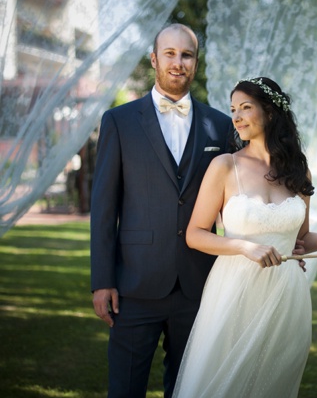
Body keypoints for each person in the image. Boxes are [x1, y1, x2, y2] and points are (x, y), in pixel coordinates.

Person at [172, 77, 317, 398]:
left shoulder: (299, 172)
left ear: (269, 112)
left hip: (287, 297)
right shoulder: (225, 166)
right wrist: (243, 246)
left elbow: (301, 241)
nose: (236, 117)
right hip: (234, 293)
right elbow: (195, 235)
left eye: (245, 108)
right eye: (233, 109)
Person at [90, 23, 235, 398]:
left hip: (199, 283)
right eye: (169, 53)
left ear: (195, 63)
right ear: (154, 59)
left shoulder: (220, 125)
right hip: (134, 284)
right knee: (125, 389)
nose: (178, 62)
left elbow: (235, 201)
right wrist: (102, 280)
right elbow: (104, 208)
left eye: (186, 55)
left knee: (191, 389)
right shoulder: (119, 121)